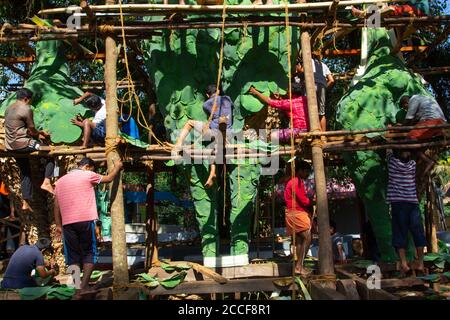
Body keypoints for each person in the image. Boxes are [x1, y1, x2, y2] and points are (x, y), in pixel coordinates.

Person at [53, 157, 123, 296]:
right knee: (89, 253)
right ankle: (84, 287)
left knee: (72, 256)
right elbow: (109, 178)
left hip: (67, 223)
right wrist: (118, 167)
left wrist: (58, 225)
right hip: (85, 220)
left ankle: (77, 287)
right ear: (87, 166)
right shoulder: (88, 174)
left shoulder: (60, 181)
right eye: (93, 169)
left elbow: (56, 205)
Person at [4, 88, 55, 211]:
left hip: (10, 145)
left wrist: (38, 132)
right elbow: (32, 130)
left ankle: (25, 201)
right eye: (30, 100)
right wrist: (40, 134)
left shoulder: (9, 108)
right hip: (23, 144)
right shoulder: (26, 109)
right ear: (26, 99)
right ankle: (47, 181)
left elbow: (18, 128)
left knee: (25, 171)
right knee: (49, 152)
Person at [173, 84, 233, 188]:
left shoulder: (206, 104)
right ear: (218, 91)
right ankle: (212, 173)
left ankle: (178, 143)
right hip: (229, 134)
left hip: (215, 132)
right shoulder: (227, 99)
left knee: (190, 123)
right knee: (214, 149)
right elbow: (230, 106)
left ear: (207, 94)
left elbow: (210, 114)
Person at [386, 149, 426, 277]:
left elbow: (388, 149)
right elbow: (427, 160)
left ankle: (404, 263)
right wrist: (417, 150)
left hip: (399, 204)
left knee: (399, 233)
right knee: (417, 232)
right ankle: (420, 263)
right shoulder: (412, 165)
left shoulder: (392, 163)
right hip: (412, 203)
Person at [400, 95, 447, 176]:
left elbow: (408, 119)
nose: (406, 109)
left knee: (409, 139)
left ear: (406, 102)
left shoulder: (414, 99)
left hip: (431, 121)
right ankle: (430, 162)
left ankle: (429, 161)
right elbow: (414, 121)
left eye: (405, 107)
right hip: (440, 122)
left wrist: (400, 127)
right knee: (418, 142)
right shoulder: (423, 99)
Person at [284, 159, 315, 275]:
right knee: (307, 237)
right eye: (307, 171)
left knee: (300, 239)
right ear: (300, 170)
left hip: (295, 212)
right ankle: (298, 266)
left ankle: (298, 266)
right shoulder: (295, 182)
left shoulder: (298, 181)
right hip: (296, 212)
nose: (308, 174)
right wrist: (313, 201)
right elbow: (304, 201)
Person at [296, 53, 334, 131]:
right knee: (321, 113)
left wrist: (298, 69)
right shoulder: (323, 64)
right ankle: (323, 135)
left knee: (308, 109)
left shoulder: (307, 61)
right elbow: (332, 80)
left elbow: (301, 71)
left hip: (311, 84)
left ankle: (311, 133)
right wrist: (324, 88)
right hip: (322, 85)